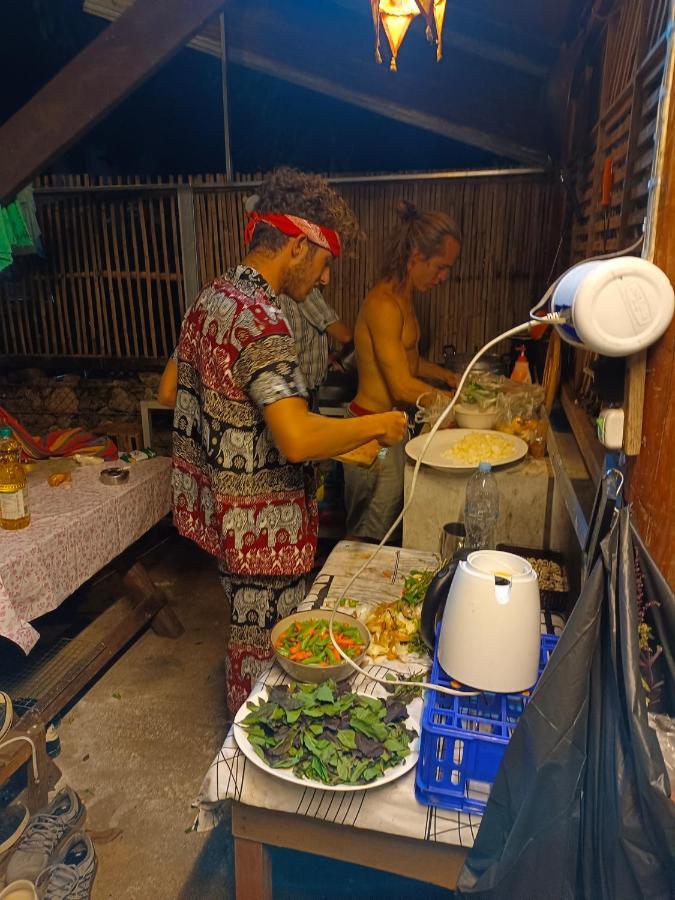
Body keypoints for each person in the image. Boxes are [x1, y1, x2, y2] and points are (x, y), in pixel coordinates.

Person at [171, 167, 407, 713]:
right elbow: (296, 438)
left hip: (231, 517)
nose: (325, 280)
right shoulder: (262, 320)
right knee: (270, 664)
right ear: (298, 247)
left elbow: (249, 420)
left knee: (248, 641)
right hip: (264, 529)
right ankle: (249, 765)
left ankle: (244, 742)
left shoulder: (214, 299)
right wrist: (376, 424)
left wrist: (342, 444)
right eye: (326, 263)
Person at [343, 200, 461, 542]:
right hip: (372, 437)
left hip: (390, 429)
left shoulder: (404, 299)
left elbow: (407, 360)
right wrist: (455, 403)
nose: (443, 277)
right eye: (440, 267)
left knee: (387, 526)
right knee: (370, 534)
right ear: (415, 257)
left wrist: (447, 376)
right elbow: (400, 384)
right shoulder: (383, 304)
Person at [277, 287, 352, 408]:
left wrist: (325, 358)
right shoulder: (305, 291)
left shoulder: (278, 292)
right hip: (302, 393)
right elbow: (345, 336)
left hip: (284, 390)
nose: (324, 279)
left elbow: (296, 341)